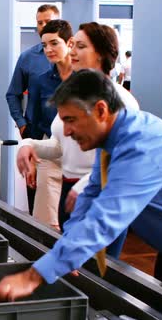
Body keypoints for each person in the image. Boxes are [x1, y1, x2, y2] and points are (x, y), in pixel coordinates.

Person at [0, 69, 162, 302]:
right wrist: (68, 246)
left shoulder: (140, 151)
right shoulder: (113, 136)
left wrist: (33, 277)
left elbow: (104, 220)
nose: (67, 132)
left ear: (100, 110)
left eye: (71, 120)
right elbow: (91, 194)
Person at [18, 23, 139, 258]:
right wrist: (28, 145)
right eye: (73, 45)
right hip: (70, 194)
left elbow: (124, 163)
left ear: (102, 54)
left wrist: (85, 186)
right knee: (79, 276)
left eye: (81, 46)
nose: (72, 51)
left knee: (97, 278)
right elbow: (60, 147)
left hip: (103, 199)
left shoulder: (121, 101)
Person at [5, 4, 60, 214]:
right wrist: (21, 124)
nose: (44, 26)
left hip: (65, 137)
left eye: (48, 21)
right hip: (36, 133)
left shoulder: (72, 61)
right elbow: (13, 94)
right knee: (34, 188)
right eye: (40, 22)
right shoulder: (27, 58)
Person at [21, 19, 73, 229]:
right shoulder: (41, 80)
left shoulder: (86, 79)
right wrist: (30, 153)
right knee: (45, 223)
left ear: (69, 43)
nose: (49, 49)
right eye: (44, 45)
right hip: (49, 153)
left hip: (80, 155)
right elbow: (32, 118)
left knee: (73, 222)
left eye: (54, 43)